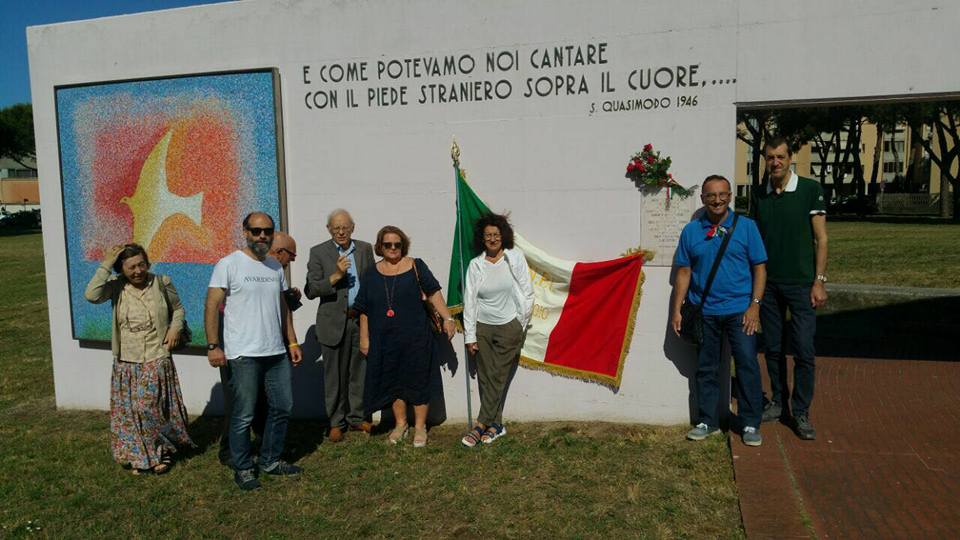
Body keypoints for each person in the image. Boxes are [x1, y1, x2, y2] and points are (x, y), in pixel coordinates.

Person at [205, 212, 304, 491]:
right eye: (257, 230)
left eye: (267, 231)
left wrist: (292, 342)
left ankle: (270, 460)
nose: (262, 236)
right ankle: (244, 467)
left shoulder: (275, 267)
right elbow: (211, 305)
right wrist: (213, 346)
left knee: (283, 407)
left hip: (276, 353)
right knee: (244, 414)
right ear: (245, 231)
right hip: (243, 354)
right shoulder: (228, 264)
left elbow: (283, 307)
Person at [672, 175, 768, 447]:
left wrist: (755, 306)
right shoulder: (691, 231)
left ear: (730, 197)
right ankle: (707, 420)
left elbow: (760, 268)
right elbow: (684, 271)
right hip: (705, 312)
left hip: (740, 312)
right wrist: (677, 309)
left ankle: (750, 423)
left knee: (747, 364)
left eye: (723, 194)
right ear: (702, 198)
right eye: (711, 195)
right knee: (706, 368)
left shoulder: (747, 227)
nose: (717, 200)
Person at [84, 243, 194, 474]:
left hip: (156, 353)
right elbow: (91, 295)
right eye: (131, 267)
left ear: (148, 263)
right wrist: (106, 264)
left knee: (147, 407)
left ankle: (161, 450)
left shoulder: (161, 282)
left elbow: (178, 309)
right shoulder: (115, 286)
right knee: (130, 411)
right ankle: (141, 456)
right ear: (122, 270)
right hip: (127, 359)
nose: (138, 271)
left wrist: (175, 328)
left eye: (141, 264)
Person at [751, 136, 828, 441]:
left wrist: (819, 281)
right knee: (772, 348)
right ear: (765, 160)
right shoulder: (759, 194)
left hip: (802, 285)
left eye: (781, 157)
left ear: (790, 157)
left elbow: (821, 239)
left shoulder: (809, 189)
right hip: (769, 285)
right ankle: (777, 401)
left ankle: (801, 412)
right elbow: (755, 240)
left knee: (804, 350)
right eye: (771, 157)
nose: (776, 162)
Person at [356, 225, 457, 447]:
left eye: (397, 244)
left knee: (418, 380)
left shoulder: (416, 266)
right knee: (393, 381)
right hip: (384, 340)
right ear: (380, 247)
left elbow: (434, 292)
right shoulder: (371, 273)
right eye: (387, 245)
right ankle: (401, 424)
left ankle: (420, 427)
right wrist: (364, 338)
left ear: (403, 245)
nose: (393, 248)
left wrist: (448, 318)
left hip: (416, 337)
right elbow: (364, 308)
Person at [459, 213, 534, 447]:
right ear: (482, 239)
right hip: (482, 327)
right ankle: (496, 425)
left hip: (509, 326)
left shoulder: (514, 258)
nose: (492, 239)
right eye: (488, 235)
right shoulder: (476, 265)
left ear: (503, 236)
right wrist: (470, 336)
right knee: (486, 377)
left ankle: (480, 424)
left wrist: (519, 324)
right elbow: (470, 301)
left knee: (498, 375)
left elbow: (527, 292)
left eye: (496, 235)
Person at [304, 209, 375, 442]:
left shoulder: (364, 249)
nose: (341, 232)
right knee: (334, 376)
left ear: (353, 228)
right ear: (329, 229)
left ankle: (356, 418)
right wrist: (335, 276)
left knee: (359, 373)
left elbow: (371, 282)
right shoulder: (318, 252)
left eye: (345, 227)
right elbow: (311, 289)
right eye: (336, 228)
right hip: (332, 323)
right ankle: (336, 422)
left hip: (359, 320)